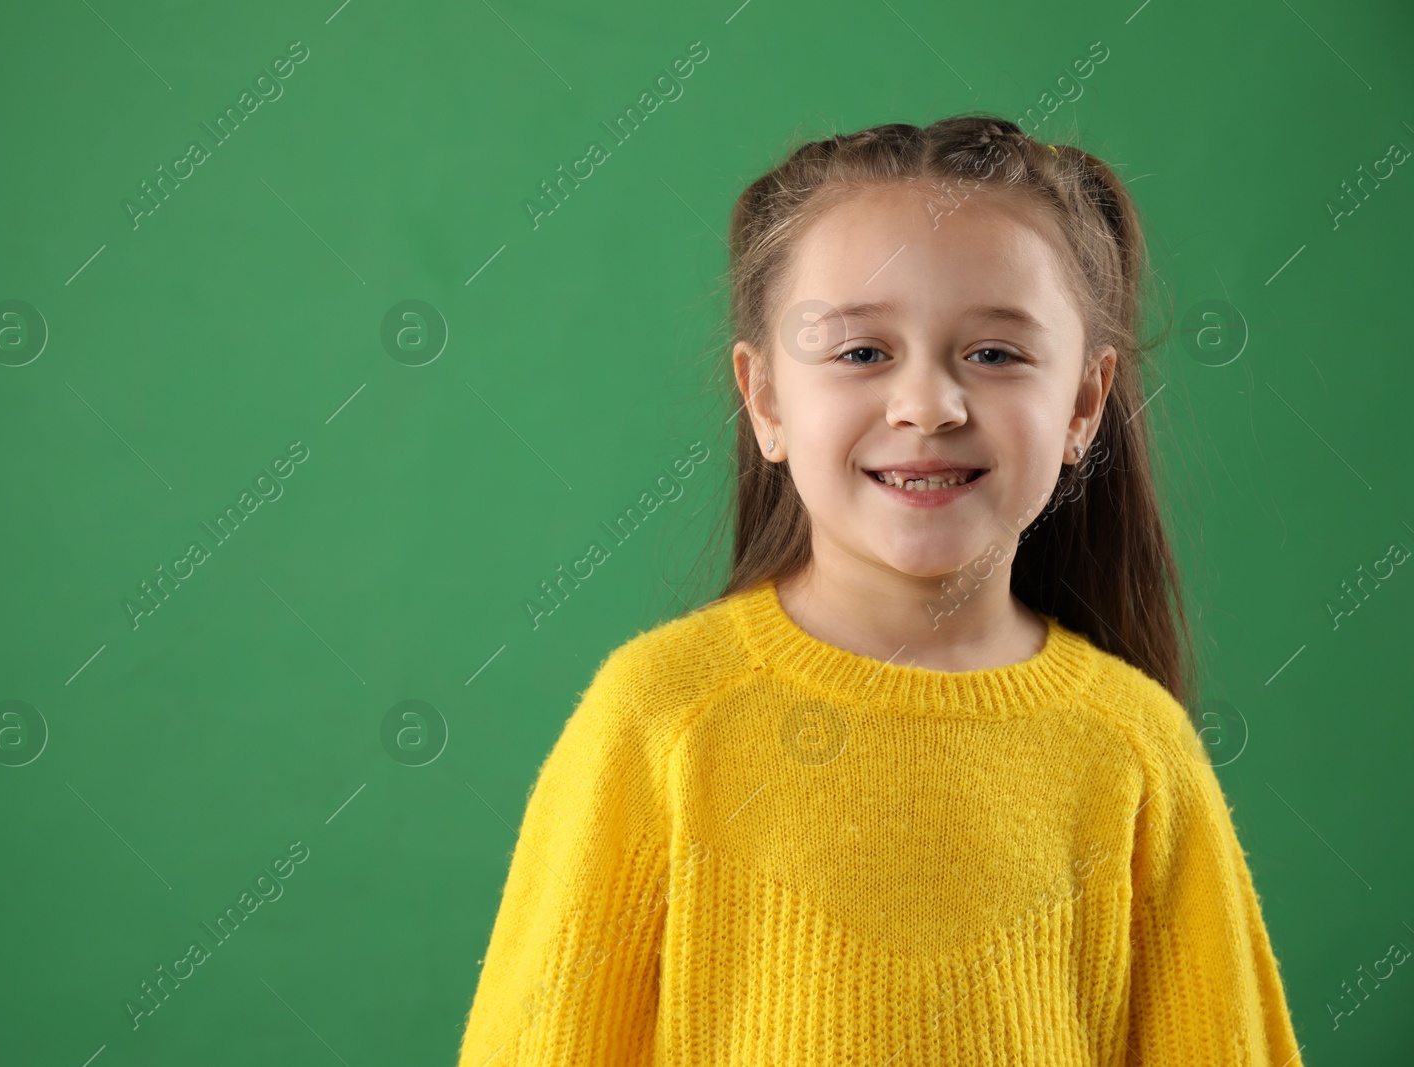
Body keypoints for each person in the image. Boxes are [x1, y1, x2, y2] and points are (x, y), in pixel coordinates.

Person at [455, 115, 1305, 1065]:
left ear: (1083, 405)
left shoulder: (1138, 752)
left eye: (995, 353)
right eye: (861, 352)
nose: (927, 406)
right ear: (767, 399)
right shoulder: (657, 722)